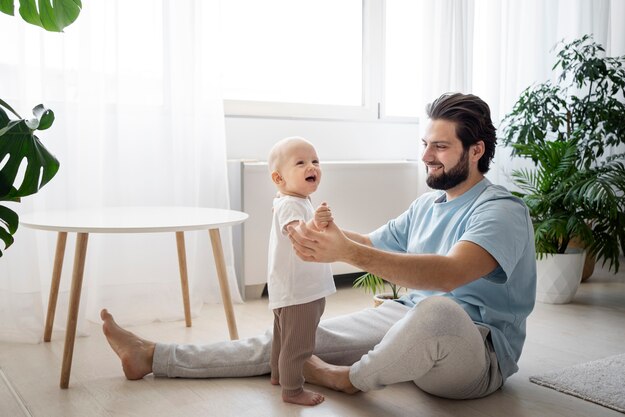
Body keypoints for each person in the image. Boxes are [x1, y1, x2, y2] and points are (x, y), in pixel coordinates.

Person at [101, 92, 536, 402]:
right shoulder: (428, 205)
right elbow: (367, 243)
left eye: (440, 146)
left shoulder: (502, 211)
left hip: (476, 352)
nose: (426, 156)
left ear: (476, 150)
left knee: (440, 309)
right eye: (424, 144)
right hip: (403, 319)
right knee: (297, 337)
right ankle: (153, 355)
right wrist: (323, 237)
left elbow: (449, 274)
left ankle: (349, 379)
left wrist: (346, 252)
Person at [265, 136, 336, 405]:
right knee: (299, 344)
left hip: (289, 288)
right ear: (279, 178)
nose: (312, 167)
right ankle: (292, 389)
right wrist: (317, 224)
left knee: (283, 336)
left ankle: (277, 373)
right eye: (301, 163)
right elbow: (297, 233)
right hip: (300, 291)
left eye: (315, 161)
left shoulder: (293, 200)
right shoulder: (291, 205)